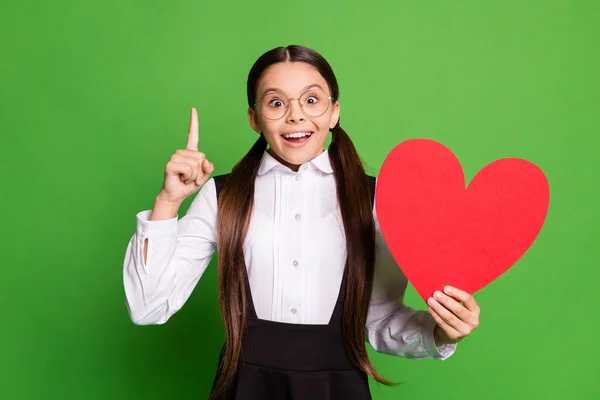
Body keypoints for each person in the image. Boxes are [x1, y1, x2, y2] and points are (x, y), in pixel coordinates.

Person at [123, 45, 481, 400]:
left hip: (337, 390)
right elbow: (147, 306)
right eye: (276, 103)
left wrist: (442, 334)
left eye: (311, 100)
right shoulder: (222, 196)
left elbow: (379, 320)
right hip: (245, 387)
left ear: (334, 112)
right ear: (254, 118)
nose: (295, 115)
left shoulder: (376, 202)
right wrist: (168, 201)